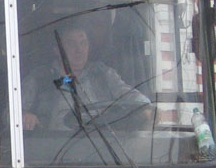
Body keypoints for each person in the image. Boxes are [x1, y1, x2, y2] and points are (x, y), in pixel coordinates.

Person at [22, 24, 151, 131]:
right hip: (51, 152)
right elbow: (11, 115)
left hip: (101, 149)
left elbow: (128, 95)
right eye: (71, 44)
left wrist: (147, 108)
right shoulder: (39, 78)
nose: (79, 50)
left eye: (83, 43)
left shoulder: (103, 74)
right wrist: (24, 116)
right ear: (57, 49)